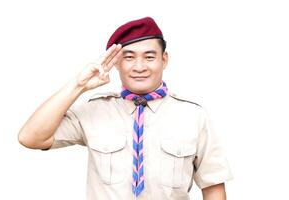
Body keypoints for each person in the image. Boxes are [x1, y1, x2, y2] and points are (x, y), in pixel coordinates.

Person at [18, 17, 232, 200]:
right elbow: (31, 137)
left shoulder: (193, 116)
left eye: (149, 57)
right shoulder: (94, 111)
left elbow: (212, 187)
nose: (139, 67)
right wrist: (78, 85)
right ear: (116, 62)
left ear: (164, 60)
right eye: (129, 57)